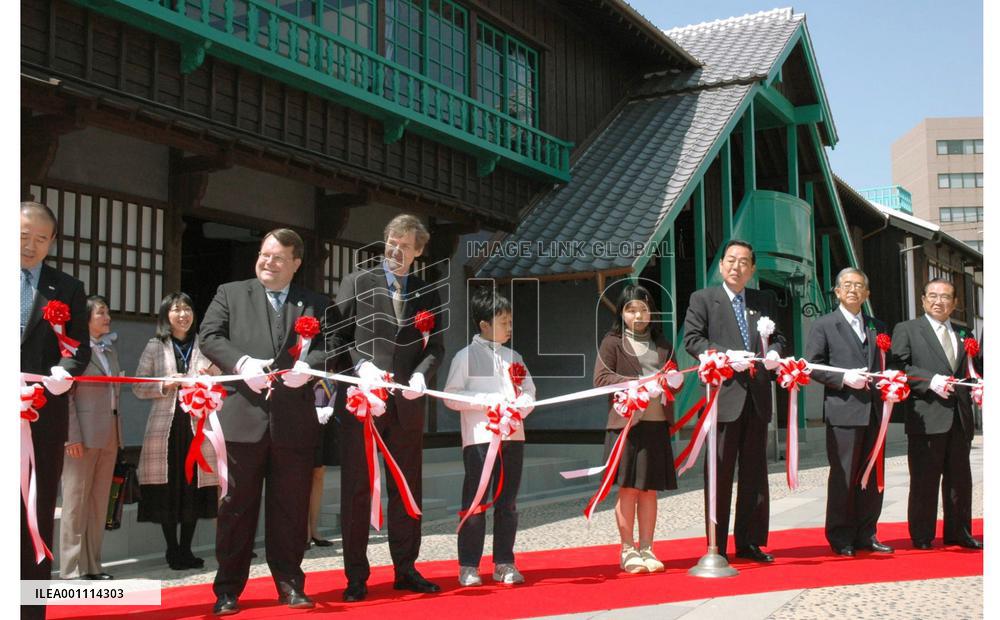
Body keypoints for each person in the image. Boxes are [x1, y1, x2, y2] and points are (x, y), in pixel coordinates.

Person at [200, 228, 337, 615]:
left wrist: (308, 367)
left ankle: (291, 583)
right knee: (236, 509)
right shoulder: (231, 293)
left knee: (290, 509)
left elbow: (334, 346)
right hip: (242, 418)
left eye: (278, 257)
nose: (268, 262)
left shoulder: (315, 303)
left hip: (293, 421)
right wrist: (240, 363)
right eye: (264, 255)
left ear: (295, 263)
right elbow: (209, 336)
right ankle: (227, 589)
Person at [334, 214, 444, 602]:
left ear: (418, 251)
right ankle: (356, 576)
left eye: (405, 245)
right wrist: (361, 367)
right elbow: (337, 337)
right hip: (363, 402)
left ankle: (406, 567)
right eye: (391, 242)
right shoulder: (358, 283)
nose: (396, 250)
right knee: (358, 489)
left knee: (406, 485)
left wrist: (421, 376)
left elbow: (436, 348)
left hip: (406, 406)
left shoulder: (427, 292)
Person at [682, 240, 786, 563]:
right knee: (720, 472)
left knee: (754, 473)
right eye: (731, 260)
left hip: (757, 397)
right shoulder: (703, 299)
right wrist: (723, 356)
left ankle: (750, 542)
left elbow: (780, 337)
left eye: (744, 262)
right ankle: (717, 546)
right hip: (723, 398)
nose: (736, 267)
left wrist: (773, 353)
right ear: (721, 264)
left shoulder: (763, 300)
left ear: (752, 269)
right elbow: (692, 339)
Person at [20, 201, 91, 620]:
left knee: (38, 506)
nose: (30, 245)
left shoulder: (65, 287)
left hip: (42, 412)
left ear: (51, 242)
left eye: (40, 239)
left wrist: (65, 372)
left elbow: (78, 346)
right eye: (22, 235)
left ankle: (29, 609)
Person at [443, 287, 536, 586]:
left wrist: (524, 403)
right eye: (503, 321)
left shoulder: (514, 356)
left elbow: (530, 391)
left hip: (513, 438)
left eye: (510, 321)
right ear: (484, 324)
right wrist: (485, 401)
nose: (509, 327)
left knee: (507, 502)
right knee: (476, 501)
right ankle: (468, 565)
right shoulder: (465, 356)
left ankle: (504, 562)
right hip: (480, 439)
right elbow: (450, 397)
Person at [804, 268, 893, 557]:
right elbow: (813, 364)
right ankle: (840, 536)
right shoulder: (825, 325)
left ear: (867, 294)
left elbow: (884, 363)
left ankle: (868, 532)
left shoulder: (877, 326)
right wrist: (842, 378)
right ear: (838, 292)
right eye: (847, 285)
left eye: (859, 286)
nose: (853, 290)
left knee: (872, 475)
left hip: (875, 413)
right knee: (843, 475)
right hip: (843, 411)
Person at [594, 284, 680, 574]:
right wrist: (636, 385)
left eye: (643, 308)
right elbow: (601, 380)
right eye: (631, 309)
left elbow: (675, 378)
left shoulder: (664, 344)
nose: (638, 314)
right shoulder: (612, 342)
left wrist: (671, 381)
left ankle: (648, 547)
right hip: (627, 426)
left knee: (649, 491)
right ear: (622, 313)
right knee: (628, 489)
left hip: (657, 425)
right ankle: (627, 549)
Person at [891, 278, 981, 551]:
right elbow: (898, 366)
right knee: (924, 480)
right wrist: (930, 381)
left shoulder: (965, 334)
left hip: (959, 417)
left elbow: (974, 369)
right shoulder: (907, 329)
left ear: (954, 303)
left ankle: (959, 532)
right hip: (926, 415)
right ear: (922, 300)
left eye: (945, 297)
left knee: (960, 480)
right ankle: (922, 535)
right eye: (932, 295)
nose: (938, 301)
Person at [133, 292, 221, 570]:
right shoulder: (155, 346)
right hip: (166, 429)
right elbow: (137, 386)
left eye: (187, 309)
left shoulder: (205, 345)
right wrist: (165, 385)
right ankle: (172, 550)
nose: (183, 314)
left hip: (197, 428)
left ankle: (187, 549)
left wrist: (210, 378)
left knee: (194, 487)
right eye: (176, 310)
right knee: (168, 488)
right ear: (165, 316)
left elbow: (220, 376)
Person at [59, 295, 122, 580]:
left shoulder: (109, 351)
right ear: (86, 318)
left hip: (109, 434)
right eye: (101, 313)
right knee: (75, 503)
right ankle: (71, 571)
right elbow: (66, 397)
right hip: (81, 438)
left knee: (98, 503)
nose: (107, 317)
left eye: (107, 312)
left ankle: (93, 566)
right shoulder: (72, 352)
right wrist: (71, 437)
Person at [306, 379, 337, 549]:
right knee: (303, 473)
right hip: (304, 407)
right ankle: (304, 530)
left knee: (319, 472)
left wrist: (332, 404)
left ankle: (314, 528)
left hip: (327, 409)